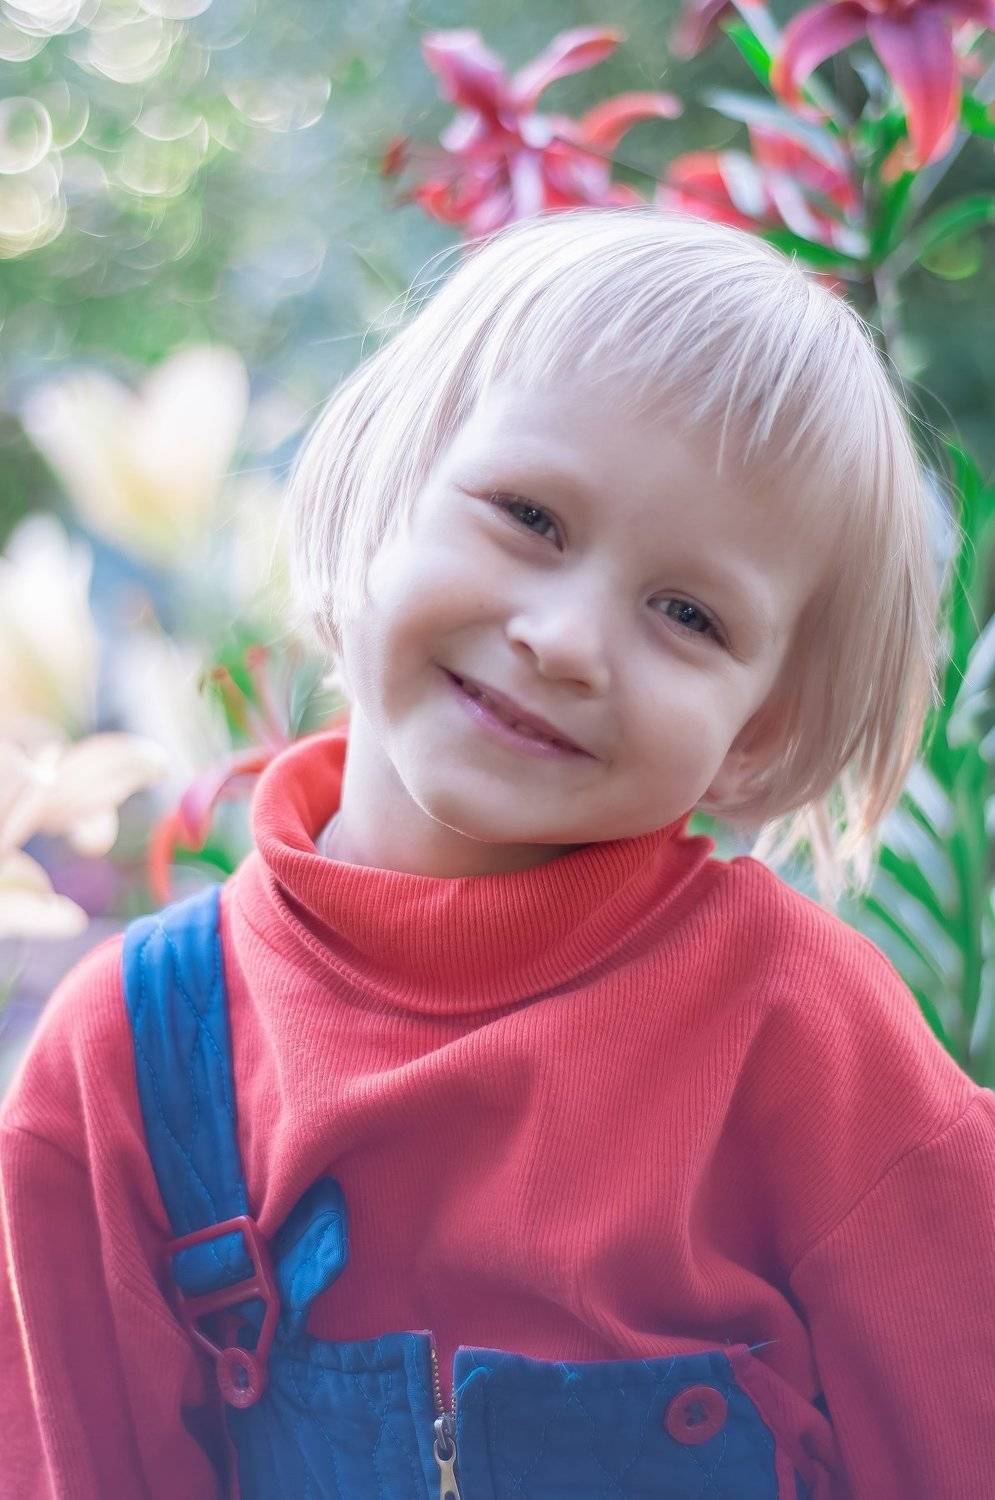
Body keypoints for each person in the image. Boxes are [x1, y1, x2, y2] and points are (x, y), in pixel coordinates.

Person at [1, 206, 992, 1500]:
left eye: (688, 614)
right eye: (530, 516)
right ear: (385, 492)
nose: (567, 639)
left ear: (757, 734)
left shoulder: (806, 1036)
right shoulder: (128, 1067)